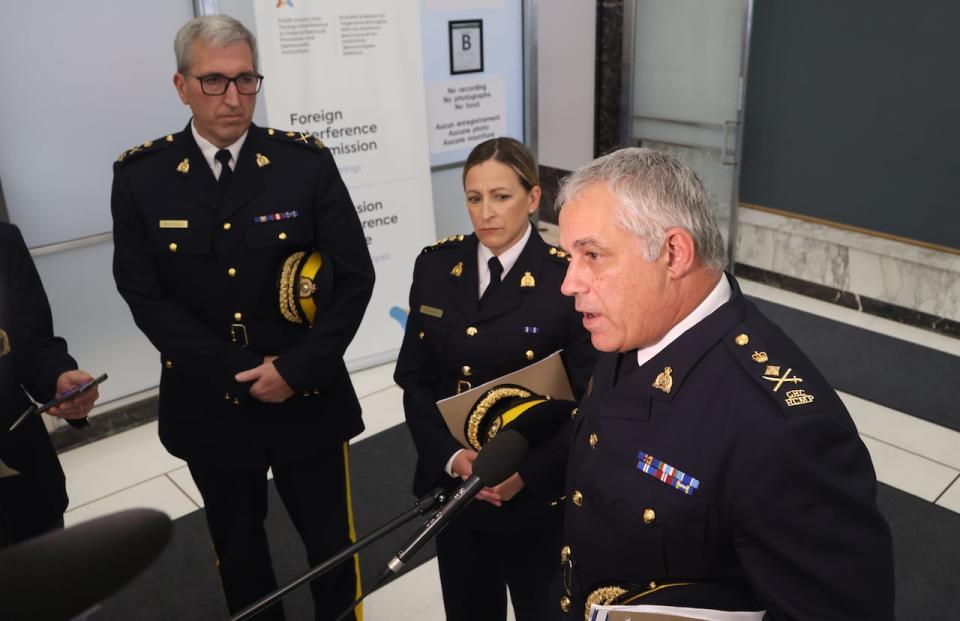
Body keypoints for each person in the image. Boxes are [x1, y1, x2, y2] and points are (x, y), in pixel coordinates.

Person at [552, 147, 895, 619]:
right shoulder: (631, 328)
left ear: (673, 253)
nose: (570, 282)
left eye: (592, 255)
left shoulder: (785, 433)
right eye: (569, 255)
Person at [110, 15, 374, 620]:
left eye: (246, 80)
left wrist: (300, 368)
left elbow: (355, 277)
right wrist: (239, 369)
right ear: (181, 86)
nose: (234, 98)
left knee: (332, 546)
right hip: (211, 398)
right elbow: (144, 295)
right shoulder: (142, 178)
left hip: (305, 393)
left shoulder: (302, 164)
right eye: (214, 82)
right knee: (238, 549)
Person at [394, 137, 597, 620]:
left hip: (535, 495)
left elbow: (592, 402)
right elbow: (416, 379)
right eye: (474, 197)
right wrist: (450, 458)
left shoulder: (565, 279)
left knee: (541, 610)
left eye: (501, 197)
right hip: (455, 490)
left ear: (532, 199)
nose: (486, 212)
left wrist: (525, 474)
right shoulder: (436, 265)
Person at [0, 222, 98, 547]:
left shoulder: (4, 239)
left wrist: (58, 378)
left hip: (21, 482)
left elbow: (31, 342)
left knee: (50, 594)